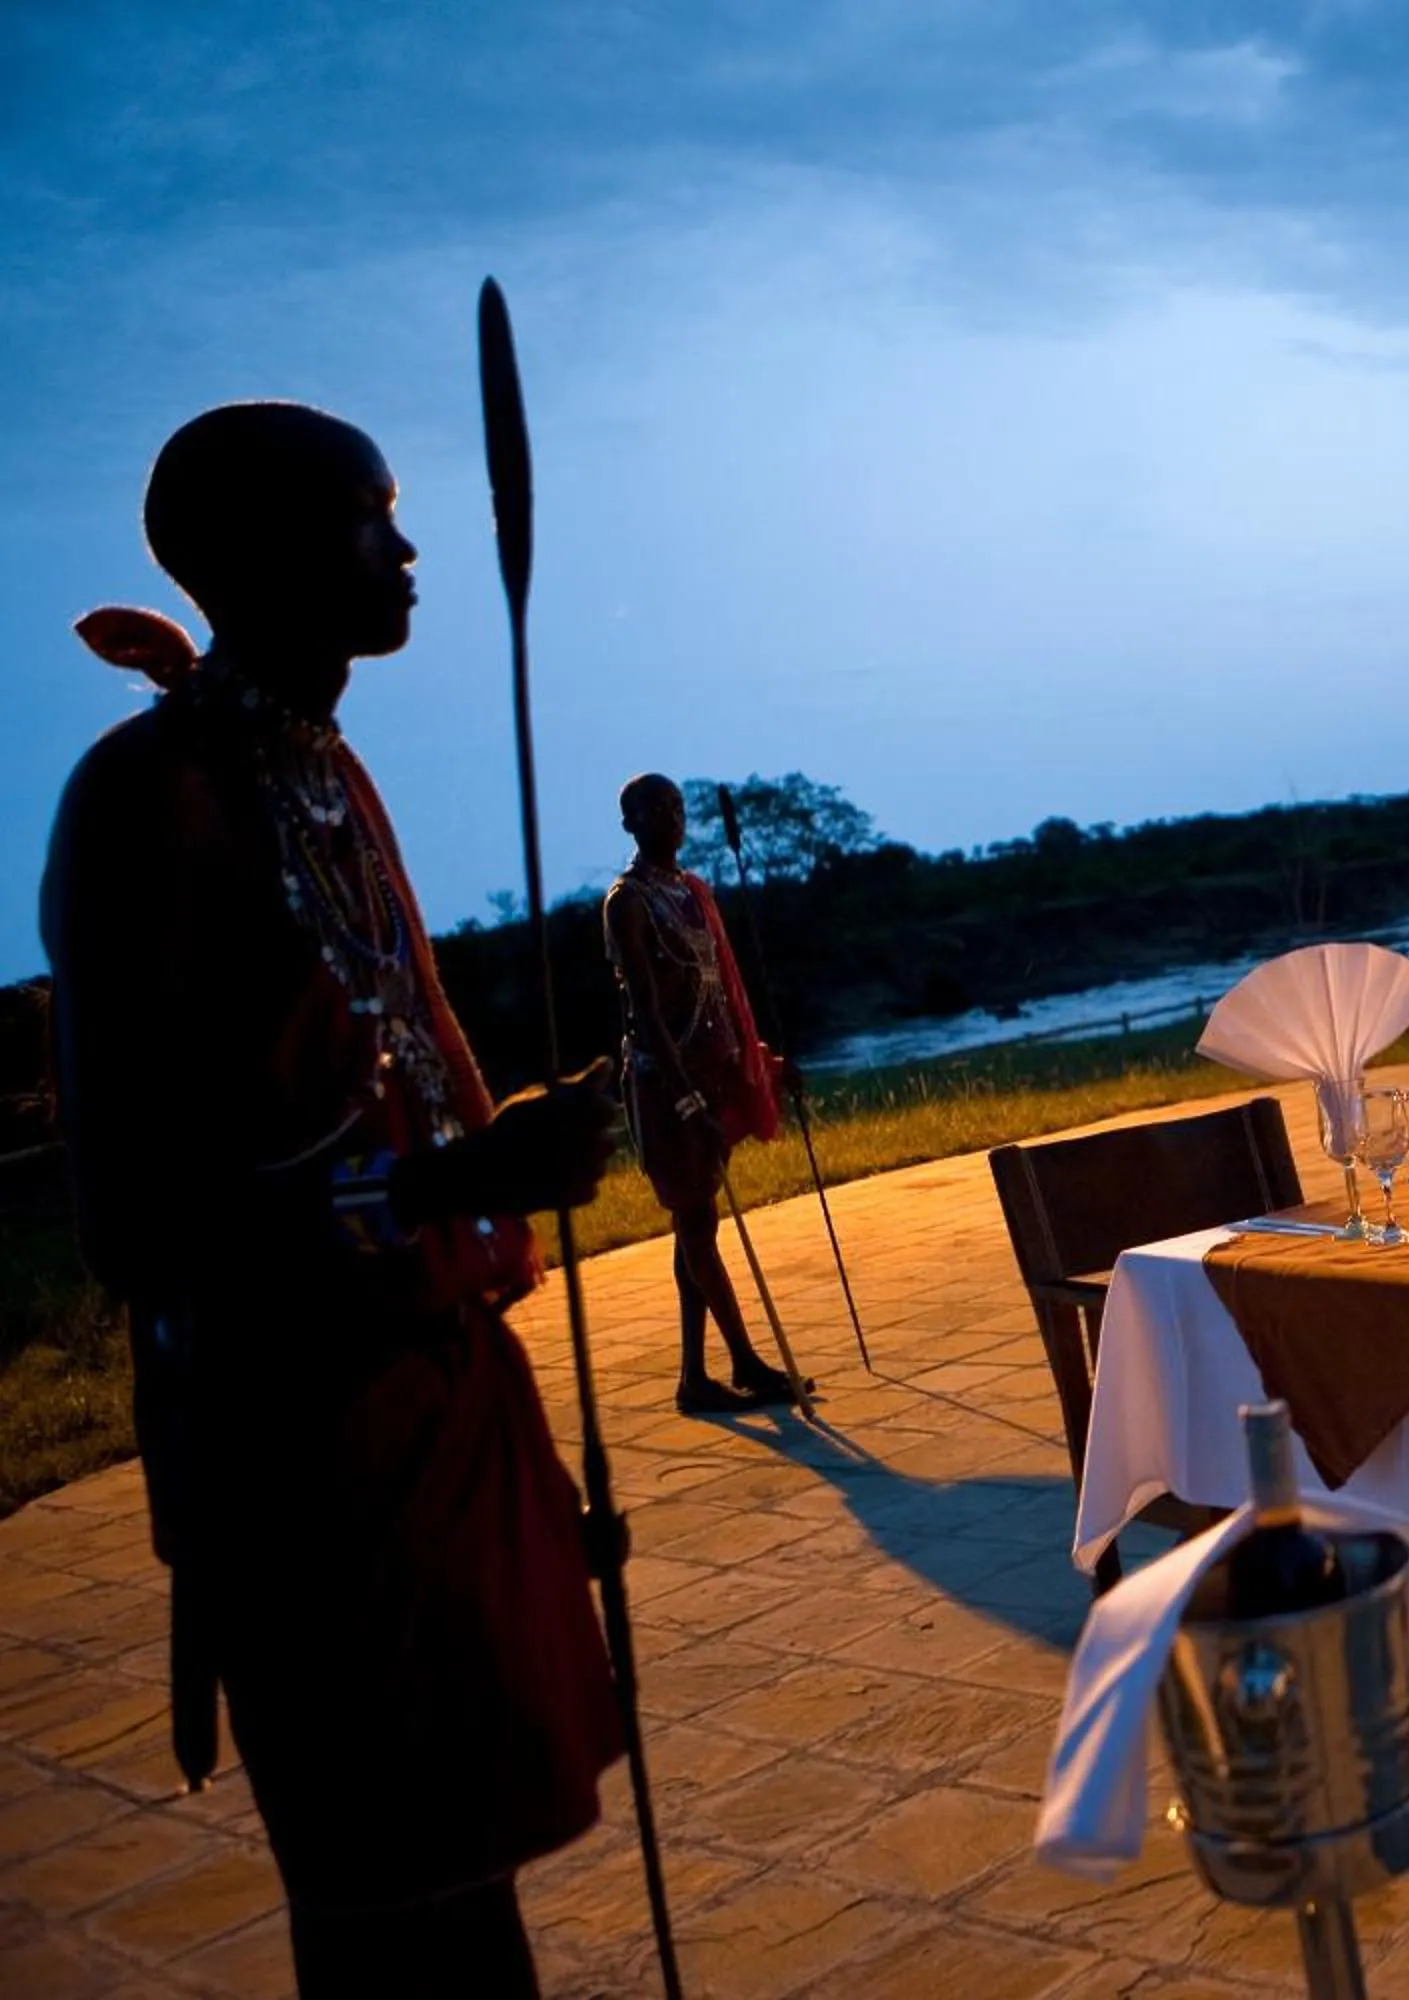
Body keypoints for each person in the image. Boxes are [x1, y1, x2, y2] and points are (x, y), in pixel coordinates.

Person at [43, 402, 625, 1998]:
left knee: (471, 1862)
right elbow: (144, 1224)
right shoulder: (143, 802)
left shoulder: (326, 781)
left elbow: (378, 1078)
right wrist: (452, 1179)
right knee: (387, 1898)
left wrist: (502, 1151)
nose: (410, 549)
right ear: (265, 558)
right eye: (373, 516)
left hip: (440, 1413)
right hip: (298, 1453)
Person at [600, 775, 806, 1414]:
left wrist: (763, 1063)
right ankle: (744, 1361)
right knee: (696, 1222)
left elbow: (725, 996)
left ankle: (695, 1377)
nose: (671, 817)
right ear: (629, 823)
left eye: (677, 807)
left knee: (697, 1224)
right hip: (667, 1086)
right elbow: (644, 1013)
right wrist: (688, 1101)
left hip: (711, 1076)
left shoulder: (691, 893)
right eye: (653, 809)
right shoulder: (626, 902)